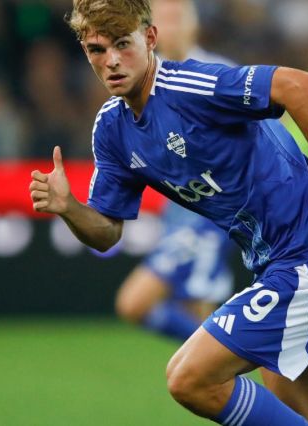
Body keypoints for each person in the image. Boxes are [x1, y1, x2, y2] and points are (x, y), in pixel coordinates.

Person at [29, 1, 308, 424]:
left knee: (188, 378)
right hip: (277, 268)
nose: (112, 60)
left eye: (123, 44)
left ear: (150, 38)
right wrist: (69, 209)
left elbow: (300, 86)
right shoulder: (112, 129)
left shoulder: (191, 86)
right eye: (98, 50)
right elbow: (107, 232)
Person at [114, 0, 235, 341]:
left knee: (134, 302)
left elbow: (260, 135)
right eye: (163, 19)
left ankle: (231, 357)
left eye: (177, 17)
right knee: (198, 312)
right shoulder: (142, 82)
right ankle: (222, 362)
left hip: (215, 213)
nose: (171, 26)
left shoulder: (219, 72)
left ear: (193, 24)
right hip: (177, 211)